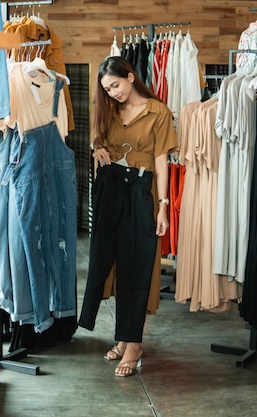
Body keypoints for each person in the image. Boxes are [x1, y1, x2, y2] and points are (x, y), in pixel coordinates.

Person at [78, 56, 178, 377]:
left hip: (141, 189)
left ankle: (133, 342)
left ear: (131, 77)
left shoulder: (157, 112)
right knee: (106, 264)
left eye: (116, 85)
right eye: (107, 89)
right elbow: (99, 141)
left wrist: (162, 205)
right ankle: (123, 336)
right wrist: (97, 149)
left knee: (136, 266)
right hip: (109, 185)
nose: (113, 93)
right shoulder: (108, 110)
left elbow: (162, 160)